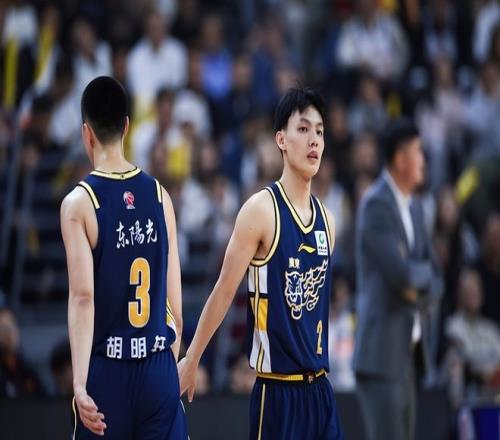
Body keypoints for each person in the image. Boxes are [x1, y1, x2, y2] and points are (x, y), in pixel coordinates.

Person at [178, 87, 344, 439]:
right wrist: (192, 359)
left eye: (319, 131)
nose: (314, 140)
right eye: (303, 129)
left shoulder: (328, 221)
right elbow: (224, 290)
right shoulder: (261, 210)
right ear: (281, 139)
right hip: (278, 391)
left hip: (321, 391)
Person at [60, 76, 187, 439]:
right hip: (157, 362)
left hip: (108, 367)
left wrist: (80, 384)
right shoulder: (160, 195)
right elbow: (175, 311)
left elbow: (83, 298)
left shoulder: (79, 203)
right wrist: (165, 368)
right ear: (127, 127)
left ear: (86, 133)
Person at [353, 118, 443, 440]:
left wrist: (417, 284)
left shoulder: (415, 207)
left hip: (407, 355)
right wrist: (416, 277)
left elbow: (436, 277)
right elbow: (402, 275)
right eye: (418, 152)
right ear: (400, 159)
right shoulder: (376, 204)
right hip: (380, 357)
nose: (423, 160)